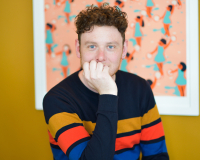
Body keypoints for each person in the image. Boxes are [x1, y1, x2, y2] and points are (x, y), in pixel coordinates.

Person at [43, 3, 169, 160]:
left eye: (110, 46)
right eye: (91, 46)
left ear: (123, 50)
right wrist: (108, 93)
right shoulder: (57, 100)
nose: (101, 57)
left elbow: (157, 155)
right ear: (78, 48)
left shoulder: (140, 88)